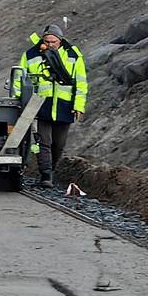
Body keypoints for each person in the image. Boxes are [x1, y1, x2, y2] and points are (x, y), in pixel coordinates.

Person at [11, 22, 88, 188]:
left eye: (53, 41)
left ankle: (51, 169)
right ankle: (46, 175)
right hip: (40, 106)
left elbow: (81, 83)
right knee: (43, 142)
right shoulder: (31, 55)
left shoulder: (73, 56)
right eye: (47, 41)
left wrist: (79, 105)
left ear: (60, 40)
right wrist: (19, 99)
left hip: (64, 107)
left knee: (58, 145)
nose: (50, 44)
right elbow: (19, 77)